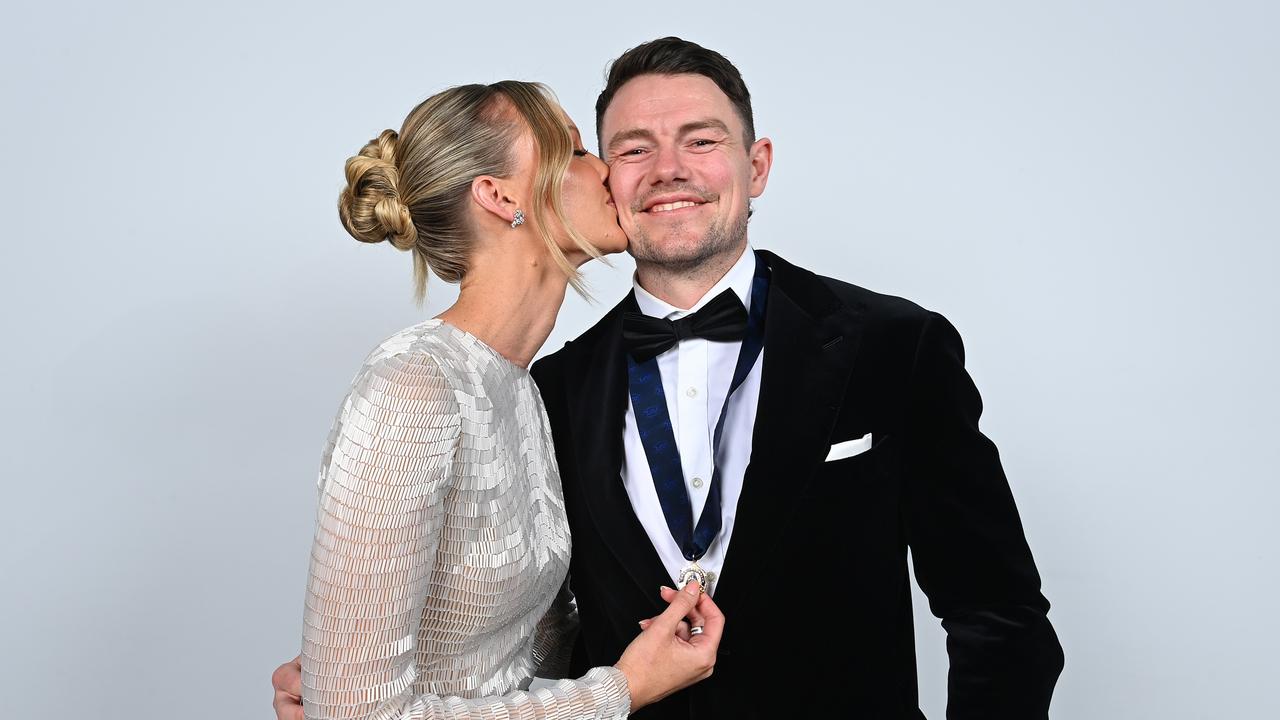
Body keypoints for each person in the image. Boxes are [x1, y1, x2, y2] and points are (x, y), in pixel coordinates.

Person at [277, 37, 1065, 718]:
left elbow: (997, 611)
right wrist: (354, 690)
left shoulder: (897, 345)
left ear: (756, 167)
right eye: (621, 149)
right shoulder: (547, 387)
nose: (666, 171)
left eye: (701, 140)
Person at [277, 79, 726, 720]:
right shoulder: (413, 387)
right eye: (573, 153)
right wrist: (621, 691)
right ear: (499, 195)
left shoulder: (527, 390)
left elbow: (517, 656)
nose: (607, 169)